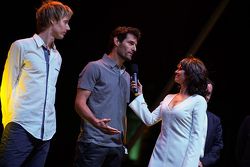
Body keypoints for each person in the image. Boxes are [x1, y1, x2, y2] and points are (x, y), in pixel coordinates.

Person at [0, 1, 73, 166]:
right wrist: (9, 122)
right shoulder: (21, 46)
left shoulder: (57, 57)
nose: (68, 28)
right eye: (65, 22)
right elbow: (7, 86)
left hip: (47, 132)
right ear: (53, 20)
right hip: (20, 127)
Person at [73, 26, 141, 167]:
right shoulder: (94, 67)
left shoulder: (127, 76)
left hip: (117, 147)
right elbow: (79, 103)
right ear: (117, 41)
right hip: (93, 143)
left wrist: (124, 144)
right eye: (130, 43)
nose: (134, 49)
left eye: (136, 45)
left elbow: (123, 112)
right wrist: (95, 121)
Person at [129, 56, 209, 167]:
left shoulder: (198, 101)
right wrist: (139, 95)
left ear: (190, 74)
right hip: (159, 154)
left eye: (180, 69)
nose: (176, 71)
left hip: (180, 158)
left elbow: (196, 138)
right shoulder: (169, 97)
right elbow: (149, 119)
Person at [199, 82, 224, 167]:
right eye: (204, 92)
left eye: (208, 94)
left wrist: (203, 162)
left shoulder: (215, 121)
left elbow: (218, 145)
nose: (206, 96)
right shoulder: (184, 113)